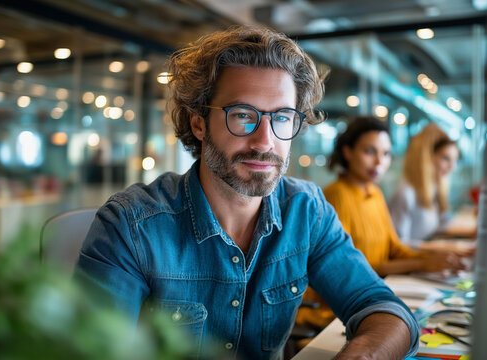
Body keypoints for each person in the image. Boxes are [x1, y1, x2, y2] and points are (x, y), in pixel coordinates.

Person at [75, 26, 419, 359]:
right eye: (242, 115)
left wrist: (364, 354)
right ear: (198, 123)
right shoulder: (130, 225)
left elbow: (383, 308)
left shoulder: (306, 211)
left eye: (282, 117)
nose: (265, 142)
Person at [296, 117, 465, 330]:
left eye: (385, 154)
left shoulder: (374, 193)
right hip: (336, 311)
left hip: (370, 298)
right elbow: (352, 272)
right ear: (348, 152)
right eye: (370, 151)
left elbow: (394, 249)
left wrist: (436, 259)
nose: (379, 162)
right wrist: (422, 263)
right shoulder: (336, 196)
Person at [389, 123, 460, 245]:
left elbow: (439, 228)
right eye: (445, 159)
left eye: (454, 160)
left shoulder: (434, 189)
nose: (452, 167)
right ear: (427, 158)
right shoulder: (406, 194)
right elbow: (399, 244)